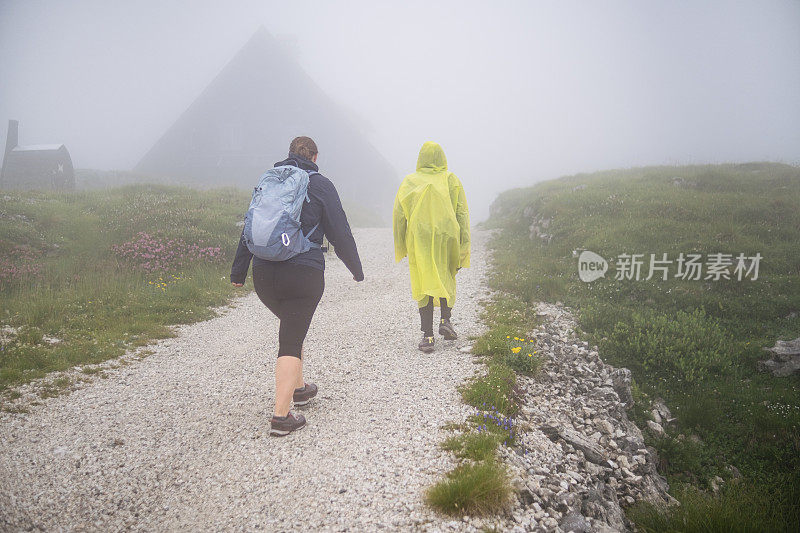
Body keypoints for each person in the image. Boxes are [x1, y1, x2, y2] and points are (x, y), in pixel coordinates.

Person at [231, 136, 364, 436]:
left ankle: (300, 388)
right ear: (315, 157)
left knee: (293, 327)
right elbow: (340, 231)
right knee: (291, 339)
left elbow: (251, 224)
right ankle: (281, 417)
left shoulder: (270, 181)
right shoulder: (320, 185)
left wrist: (238, 272)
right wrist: (356, 270)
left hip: (263, 274)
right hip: (303, 273)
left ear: (289, 154)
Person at [392, 141, 470, 353]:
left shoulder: (410, 181)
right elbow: (462, 213)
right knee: (445, 275)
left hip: (420, 237)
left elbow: (399, 215)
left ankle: (427, 337)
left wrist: (401, 245)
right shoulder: (451, 179)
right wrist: (463, 247)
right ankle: (445, 319)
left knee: (423, 280)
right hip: (447, 236)